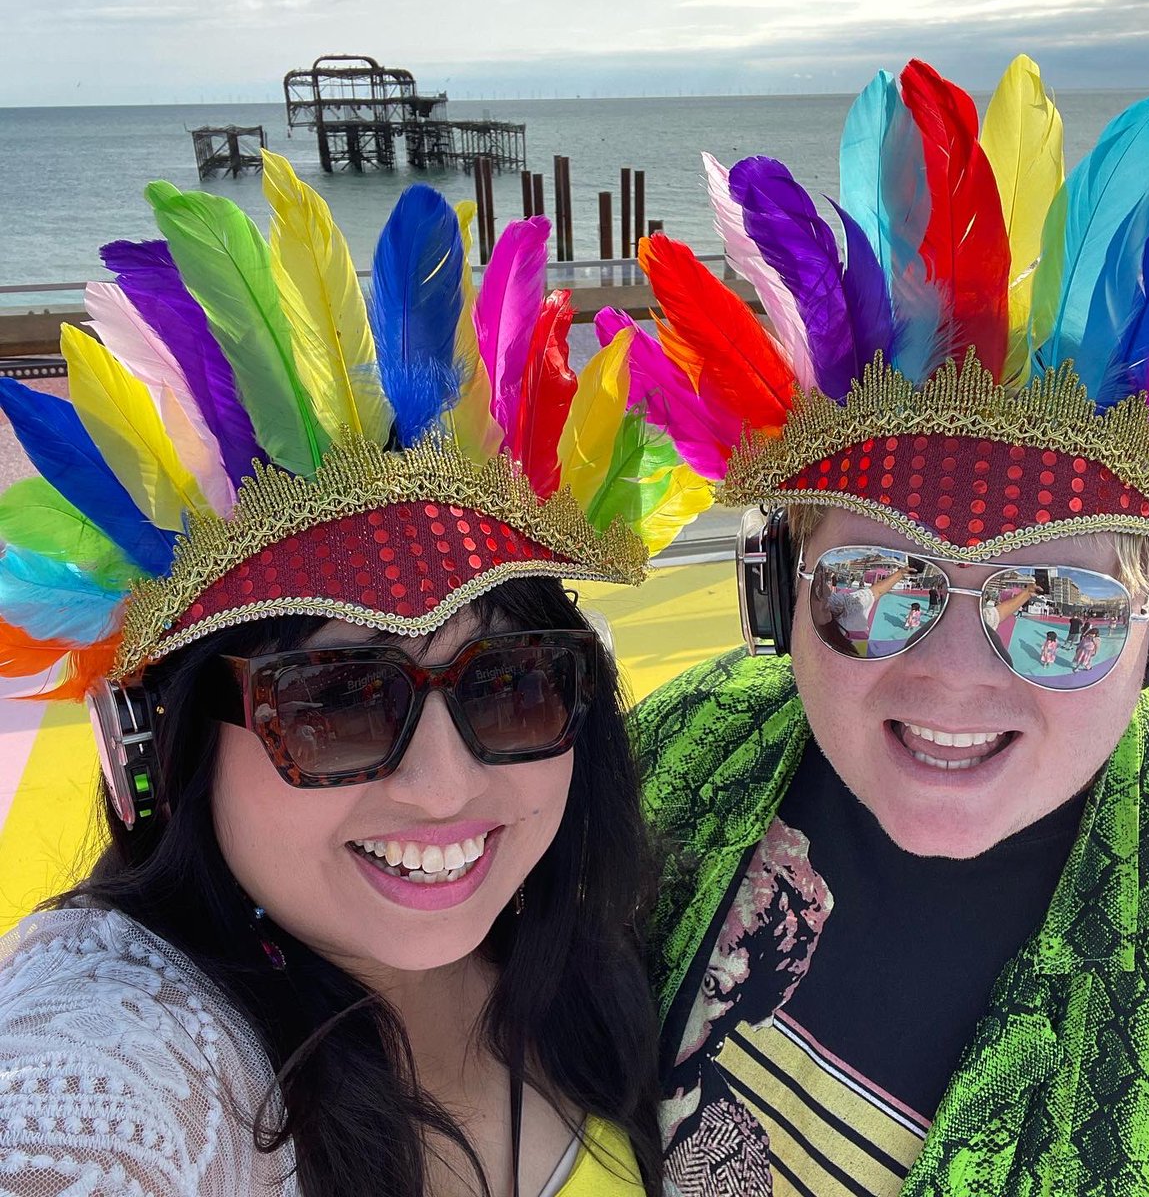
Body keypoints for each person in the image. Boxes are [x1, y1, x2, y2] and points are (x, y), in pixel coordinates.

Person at [0, 155, 711, 1195]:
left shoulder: (600, 962)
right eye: (333, 704)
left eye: (508, 685)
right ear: (172, 744)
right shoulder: (140, 1054)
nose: (443, 786)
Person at [627, 56, 1149, 1195]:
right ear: (776, 596)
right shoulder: (669, 752)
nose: (947, 683)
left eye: (1058, 610)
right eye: (876, 586)